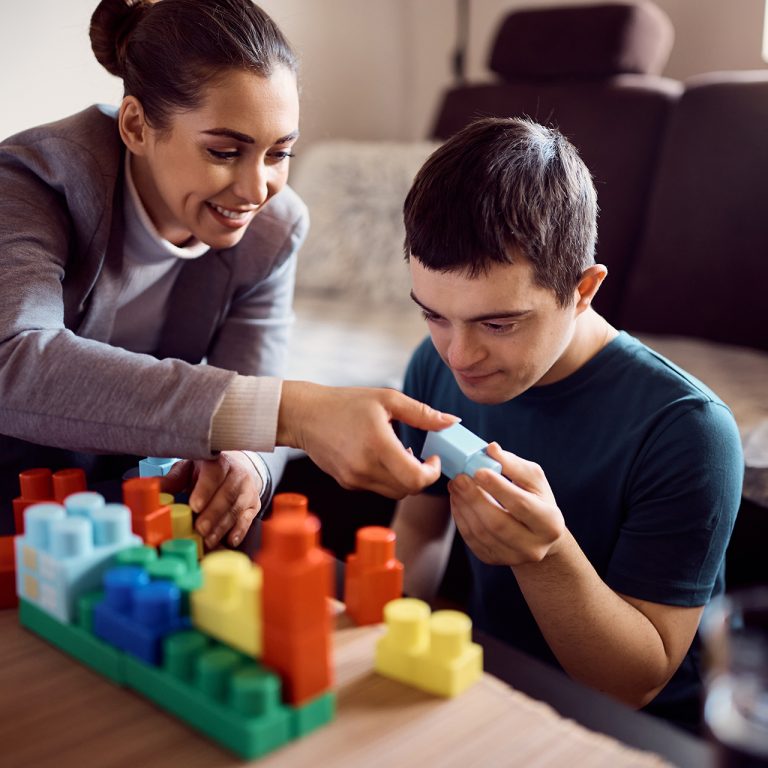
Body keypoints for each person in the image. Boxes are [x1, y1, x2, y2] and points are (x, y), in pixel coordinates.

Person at [0, 0, 454, 547]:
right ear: (137, 126)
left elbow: (253, 394)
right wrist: (294, 411)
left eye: (279, 154)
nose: (256, 189)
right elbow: (14, 361)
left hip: (127, 508)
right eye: (224, 151)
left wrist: (244, 463)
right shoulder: (33, 180)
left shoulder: (272, 229)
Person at [392, 116, 743, 730]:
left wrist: (544, 556)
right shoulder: (436, 365)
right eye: (435, 315)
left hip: (640, 733)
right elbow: (420, 526)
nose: (458, 355)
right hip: (495, 684)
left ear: (583, 290)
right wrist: (392, 644)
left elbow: (637, 682)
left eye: (498, 324)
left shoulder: (688, 431)